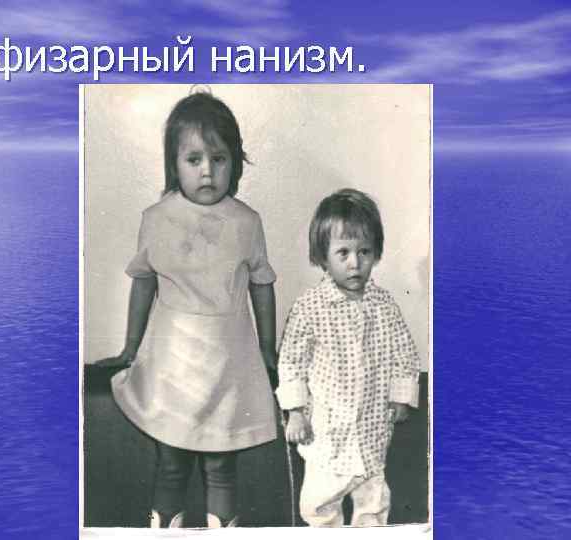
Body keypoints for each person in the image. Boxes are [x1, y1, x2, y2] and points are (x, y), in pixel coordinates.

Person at [106, 90, 278, 528]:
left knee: (221, 466)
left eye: (219, 159)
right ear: (174, 164)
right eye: (194, 159)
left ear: (234, 164)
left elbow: (262, 285)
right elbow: (143, 283)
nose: (207, 171)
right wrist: (130, 347)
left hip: (228, 364)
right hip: (173, 364)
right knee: (171, 463)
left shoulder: (247, 222)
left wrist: (267, 348)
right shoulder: (156, 218)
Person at [276, 188, 420, 527]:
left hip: (372, 427)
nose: (355, 263)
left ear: (376, 253)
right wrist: (295, 412)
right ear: (323, 257)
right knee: (318, 505)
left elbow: (404, 353)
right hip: (327, 432)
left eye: (364, 252)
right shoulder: (310, 307)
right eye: (343, 253)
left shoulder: (384, 305)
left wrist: (401, 397)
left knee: (374, 503)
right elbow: (292, 362)